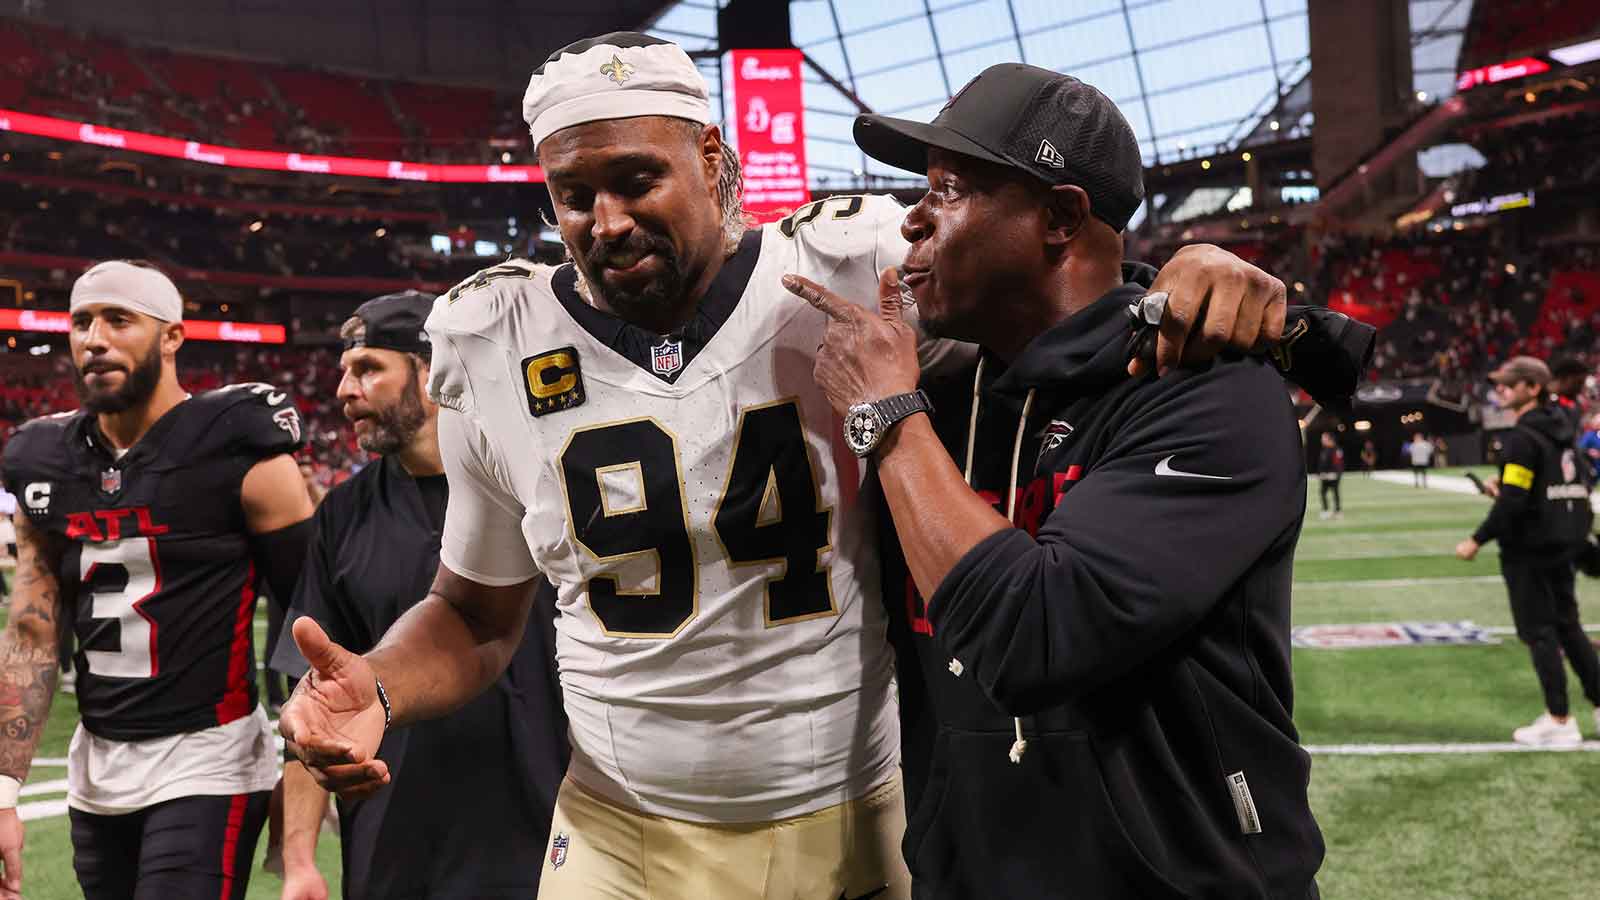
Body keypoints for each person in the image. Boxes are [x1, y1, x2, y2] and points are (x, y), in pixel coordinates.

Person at [278, 34, 1361, 900]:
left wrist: (1208, 272)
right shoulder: (486, 333)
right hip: (626, 829)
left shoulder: (857, 279)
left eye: (637, 178)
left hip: (865, 817)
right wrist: (374, 683)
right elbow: (473, 615)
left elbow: (1061, 274)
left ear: (715, 160)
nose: (604, 221)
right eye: (572, 193)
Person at [788, 62, 1331, 897]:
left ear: (1060, 216)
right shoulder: (944, 396)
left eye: (950, 188)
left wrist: (887, 416)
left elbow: (1037, 638)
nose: (912, 220)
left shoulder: (1212, 392)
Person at [0, 260, 314, 899]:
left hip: (211, 756)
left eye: (119, 319)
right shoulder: (42, 459)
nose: (95, 338)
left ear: (172, 336)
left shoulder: (236, 444)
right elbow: (33, 631)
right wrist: (4, 789)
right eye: (81, 321)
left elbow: (315, 612)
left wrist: (307, 777)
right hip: (98, 761)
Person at [271, 292, 569, 900]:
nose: (344, 391)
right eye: (344, 372)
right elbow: (315, 702)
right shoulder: (344, 515)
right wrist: (299, 858)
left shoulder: (543, 482)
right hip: (396, 846)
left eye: (368, 368)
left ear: (432, 369)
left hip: (550, 833)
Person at [1456, 356, 1600, 746]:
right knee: (1569, 627)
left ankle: (1559, 719)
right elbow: (1564, 481)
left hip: (1529, 547)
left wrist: (1477, 538)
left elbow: (1515, 502)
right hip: (1561, 541)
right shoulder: (1562, 429)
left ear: (1533, 388)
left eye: (1509, 384)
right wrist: (1507, 486)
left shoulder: (1521, 436)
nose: (1500, 390)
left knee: (1539, 633)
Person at [1318, 432, 1345, 519]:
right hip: (1325, 476)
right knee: (1323, 492)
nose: (1322, 440)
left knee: (1335, 492)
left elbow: (1339, 463)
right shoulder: (1325, 449)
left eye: (1324, 438)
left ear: (1329, 439)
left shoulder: (1336, 449)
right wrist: (1321, 473)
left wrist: (1336, 474)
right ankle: (1326, 510)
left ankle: (1338, 511)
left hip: (1333, 475)